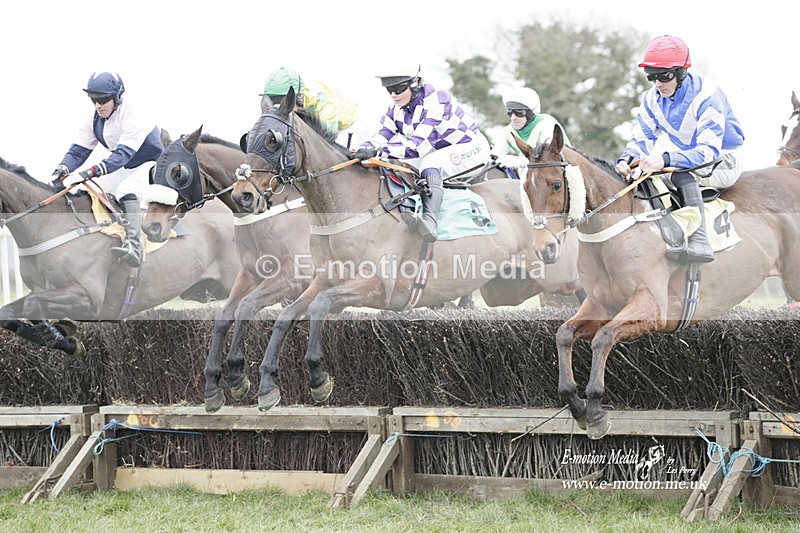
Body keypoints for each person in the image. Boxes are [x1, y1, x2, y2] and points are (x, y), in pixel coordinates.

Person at [614, 35, 744, 264]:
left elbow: (708, 152)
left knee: (677, 171)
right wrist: (627, 160)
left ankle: (700, 239)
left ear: (682, 72)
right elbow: (641, 138)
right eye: (652, 77)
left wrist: (665, 159)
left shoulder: (707, 95)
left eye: (665, 76)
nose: (658, 83)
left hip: (723, 159)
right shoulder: (651, 99)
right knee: (644, 175)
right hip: (691, 155)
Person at [353, 65, 491, 241]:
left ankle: (431, 221)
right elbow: (383, 135)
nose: (394, 94)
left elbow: (417, 146)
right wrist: (362, 149)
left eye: (398, 88)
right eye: (389, 89)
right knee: (398, 165)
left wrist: (380, 150)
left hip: (470, 147)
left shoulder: (437, 101)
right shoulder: (395, 107)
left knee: (429, 164)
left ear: (415, 83)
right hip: (437, 149)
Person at [50, 71, 163, 267]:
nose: (98, 105)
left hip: (152, 164)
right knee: (88, 188)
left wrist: (91, 171)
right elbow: (78, 151)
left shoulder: (135, 113)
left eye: (103, 99)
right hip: (126, 166)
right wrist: (61, 169)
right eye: (93, 99)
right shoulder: (94, 119)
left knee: (125, 190)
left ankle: (135, 247)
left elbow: (122, 155)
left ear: (117, 97)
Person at [491, 87, 571, 179]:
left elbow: (547, 161)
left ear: (532, 112)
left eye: (519, 112)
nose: (513, 118)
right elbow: (494, 156)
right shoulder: (508, 132)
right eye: (510, 112)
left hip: (562, 173)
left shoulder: (547, 124)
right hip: (533, 178)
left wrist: (520, 162)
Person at [259, 67, 357, 139]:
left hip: (350, 126)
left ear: (300, 97)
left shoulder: (320, 99)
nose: (281, 108)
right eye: (273, 101)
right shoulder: (299, 103)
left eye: (284, 102)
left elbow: (329, 136)